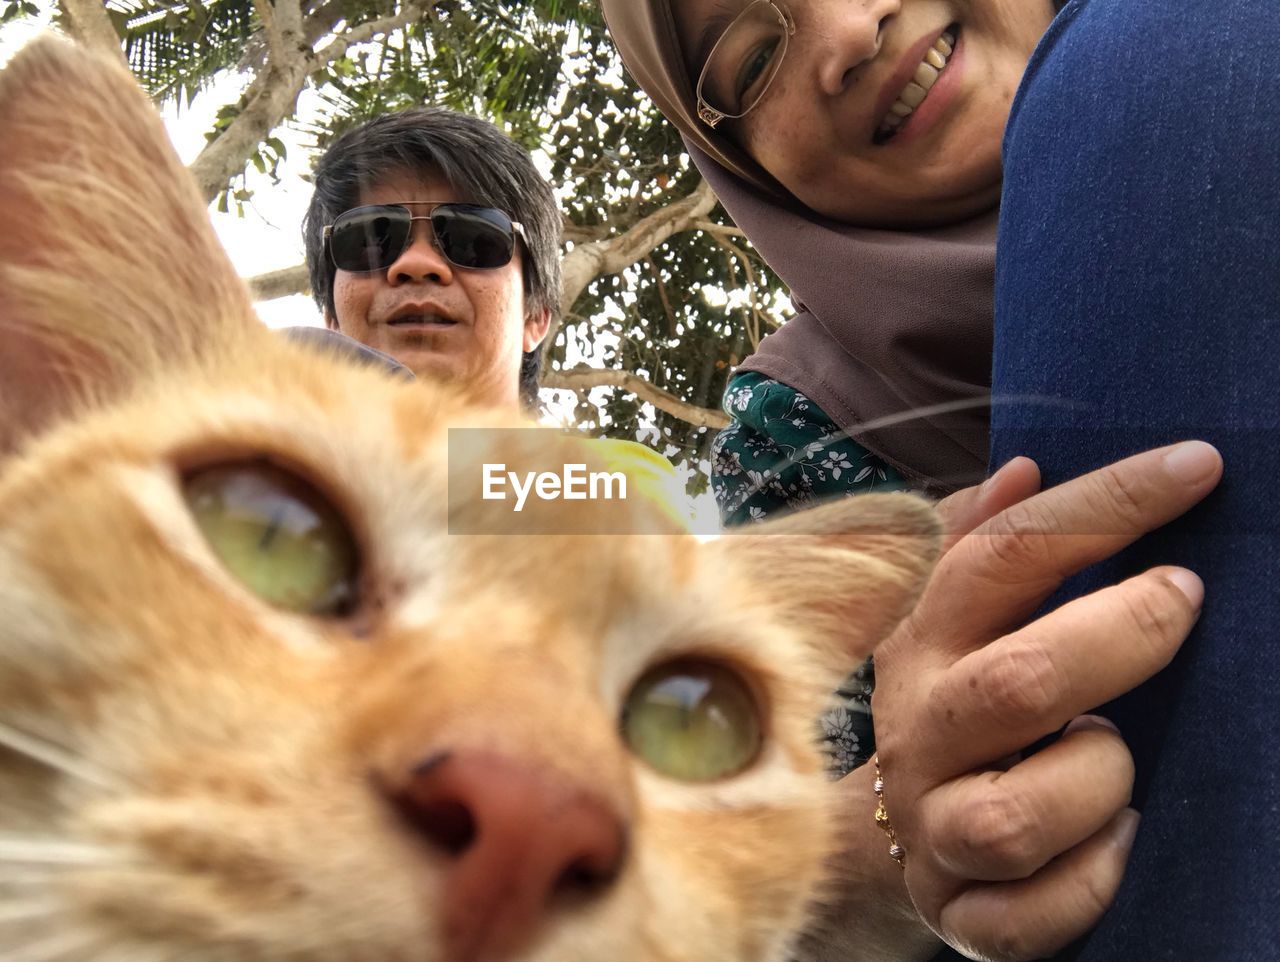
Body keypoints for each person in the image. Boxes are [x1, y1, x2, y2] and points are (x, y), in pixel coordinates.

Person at [601, 0, 1278, 960]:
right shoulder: (793, 435)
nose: (848, 33)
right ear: (747, 170)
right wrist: (895, 820)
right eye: (752, 61)